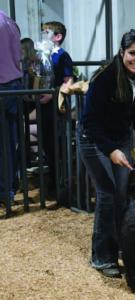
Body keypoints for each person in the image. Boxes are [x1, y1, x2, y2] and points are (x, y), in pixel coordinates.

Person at [78, 29, 135, 278]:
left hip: (120, 138)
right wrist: (111, 151)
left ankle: (121, 248)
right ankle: (101, 256)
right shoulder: (104, 78)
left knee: (122, 195)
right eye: (132, 53)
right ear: (122, 52)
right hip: (94, 140)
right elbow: (90, 123)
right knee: (107, 194)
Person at [39, 21, 73, 198]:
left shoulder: (62, 55)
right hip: (43, 105)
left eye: (47, 32)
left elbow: (68, 80)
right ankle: (52, 182)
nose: (43, 36)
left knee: (57, 145)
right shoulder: (42, 55)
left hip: (56, 105)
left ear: (58, 36)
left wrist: (52, 95)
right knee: (47, 145)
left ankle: (62, 185)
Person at [0, 10, 23, 208]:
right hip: (14, 84)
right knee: (10, 141)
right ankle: (10, 187)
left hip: (1, 86)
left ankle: (4, 191)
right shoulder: (9, 21)